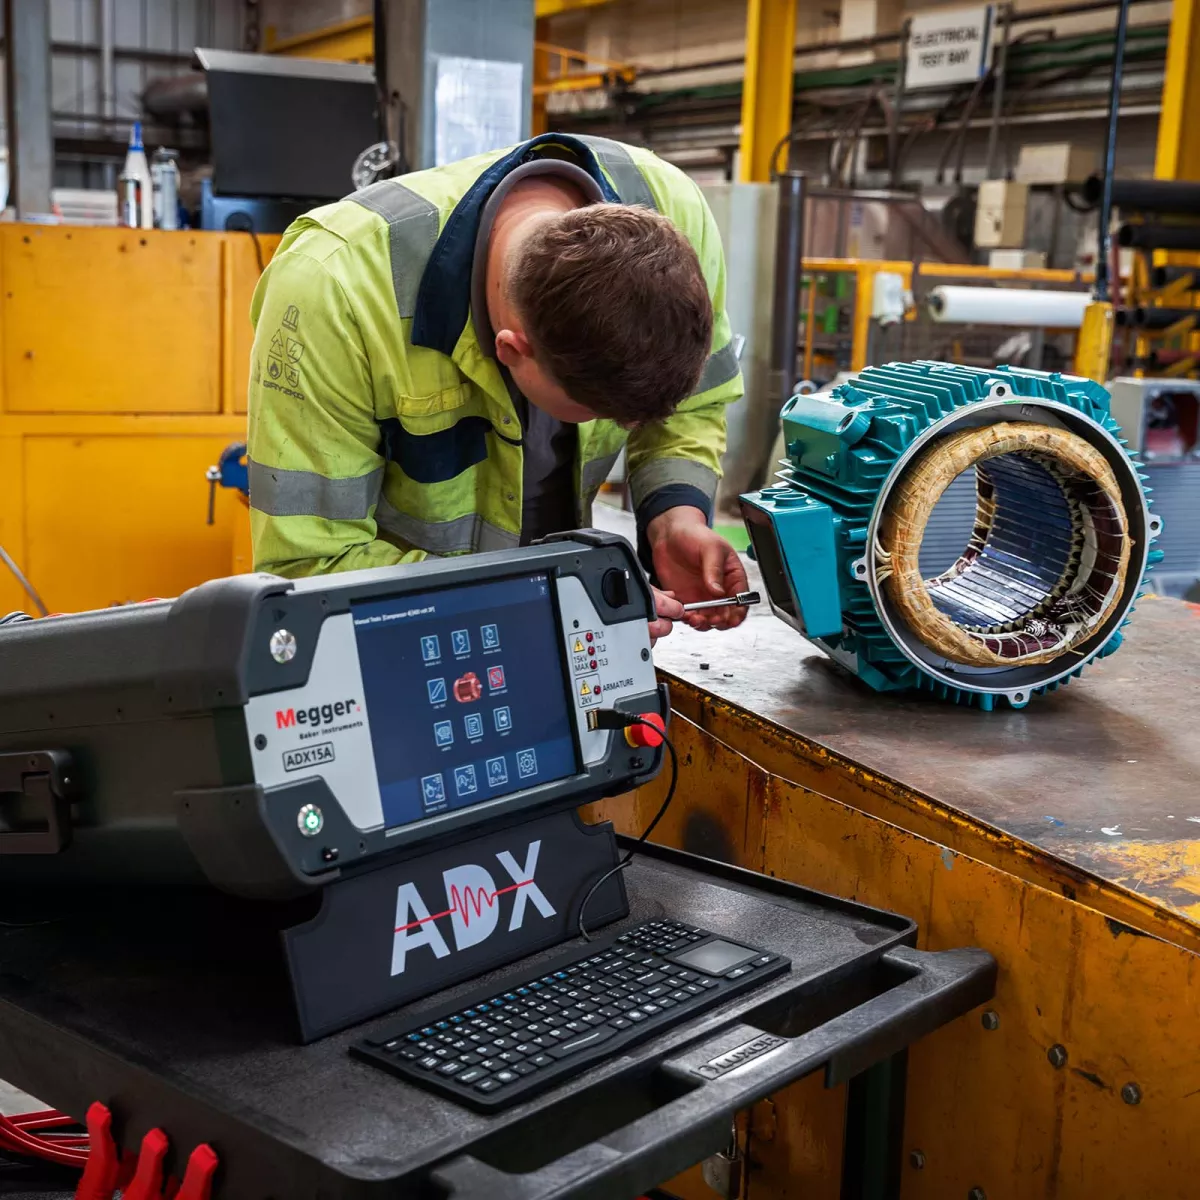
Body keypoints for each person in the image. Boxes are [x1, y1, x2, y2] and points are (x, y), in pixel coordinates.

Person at [246, 132, 748, 643]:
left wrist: (673, 519)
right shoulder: (332, 290)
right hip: (400, 648)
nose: (632, 428)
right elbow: (314, 564)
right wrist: (539, 602)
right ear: (512, 350)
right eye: (604, 411)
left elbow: (693, 405)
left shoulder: (669, 214)